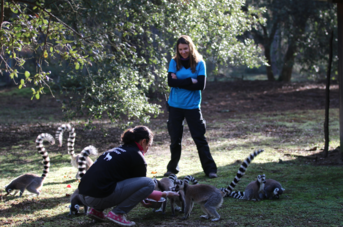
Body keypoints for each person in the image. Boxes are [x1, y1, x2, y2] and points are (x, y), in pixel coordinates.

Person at [78, 125, 179, 226]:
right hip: (96, 198)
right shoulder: (137, 157)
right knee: (149, 183)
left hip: (82, 194)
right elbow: (144, 188)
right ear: (143, 141)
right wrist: (165, 194)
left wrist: (142, 198)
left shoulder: (115, 150)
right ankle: (118, 213)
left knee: (109, 181)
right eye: (149, 145)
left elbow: (127, 185)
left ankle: (96, 211)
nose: (148, 149)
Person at [164, 35, 218, 179]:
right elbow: (170, 82)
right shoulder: (173, 62)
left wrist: (180, 81)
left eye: (185, 48)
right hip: (175, 105)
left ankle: (210, 169)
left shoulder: (200, 63)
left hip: (192, 107)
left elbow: (201, 85)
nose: (183, 52)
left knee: (199, 138)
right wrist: (189, 80)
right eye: (180, 49)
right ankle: (172, 169)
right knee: (175, 139)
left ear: (190, 47)